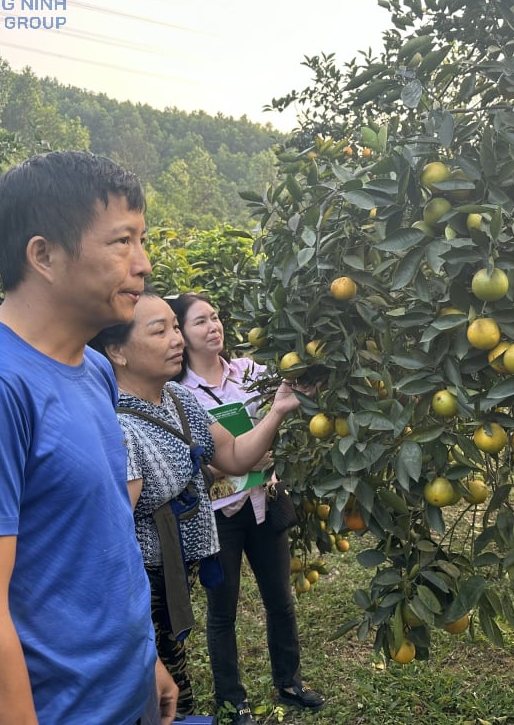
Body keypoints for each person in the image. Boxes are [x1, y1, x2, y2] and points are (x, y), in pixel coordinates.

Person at [0, 151, 178, 725]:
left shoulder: (95, 370)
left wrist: (143, 659)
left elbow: (101, 535)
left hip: (128, 694)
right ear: (44, 254)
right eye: (122, 241)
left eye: (142, 241)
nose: (144, 264)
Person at [91, 292, 305, 720]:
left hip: (172, 575)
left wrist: (278, 411)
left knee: (176, 682)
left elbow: (235, 455)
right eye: (161, 330)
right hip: (140, 583)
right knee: (158, 695)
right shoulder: (117, 426)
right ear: (116, 351)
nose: (176, 339)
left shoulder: (175, 398)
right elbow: (109, 544)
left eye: (175, 327)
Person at [169, 292, 326, 725]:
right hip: (221, 514)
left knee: (281, 599)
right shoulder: (179, 394)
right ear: (182, 333)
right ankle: (231, 700)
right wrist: (231, 462)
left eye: (216, 317)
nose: (213, 326)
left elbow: (287, 404)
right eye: (200, 321)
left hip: (265, 501)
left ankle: (290, 683)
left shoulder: (249, 372)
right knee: (223, 611)